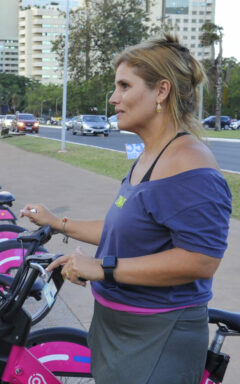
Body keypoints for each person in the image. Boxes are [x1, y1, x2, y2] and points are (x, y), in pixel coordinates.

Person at [21, 34, 232, 384]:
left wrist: (102, 267)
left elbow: (200, 260)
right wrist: (57, 223)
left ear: (161, 91)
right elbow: (124, 230)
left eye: (124, 86)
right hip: (118, 328)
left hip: (157, 336)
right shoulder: (149, 157)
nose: (113, 98)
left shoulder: (191, 165)